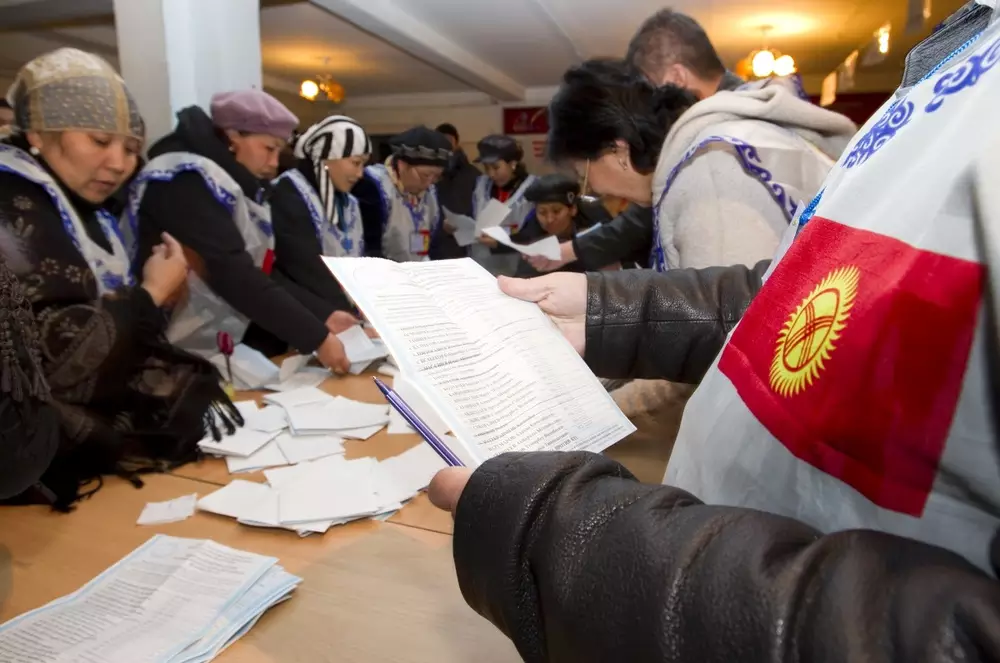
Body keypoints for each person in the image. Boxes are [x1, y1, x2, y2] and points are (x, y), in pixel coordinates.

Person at [427, 2, 1000, 659]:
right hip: (766, 553)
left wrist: (561, 530)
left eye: (587, 175)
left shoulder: (709, 165)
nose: (593, 193)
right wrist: (609, 310)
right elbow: (807, 293)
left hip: (789, 571)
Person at [0, 48, 238, 510]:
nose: (118, 163)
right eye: (99, 140)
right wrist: (151, 293)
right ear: (38, 133)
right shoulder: (13, 202)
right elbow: (54, 360)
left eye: (130, 149)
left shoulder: (80, 207)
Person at [127, 89, 354, 372]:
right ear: (233, 136)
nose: (274, 163)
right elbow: (232, 271)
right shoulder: (185, 178)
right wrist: (316, 337)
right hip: (159, 348)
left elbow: (261, 270)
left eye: (279, 151)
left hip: (204, 344)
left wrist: (324, 315)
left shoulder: (232, 183)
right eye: (268, 149)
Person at [530, 9, 751, 275]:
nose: (650, 107)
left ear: (677, 79)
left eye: (649, 91)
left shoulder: (725, 152)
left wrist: (600, 294)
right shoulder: (692, 158)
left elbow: (719, 291)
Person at [270, 115, 370, 321]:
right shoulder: (287, 194)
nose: (360, 174)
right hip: (306, 314)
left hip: (340, 309)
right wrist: (349, 315)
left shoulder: (347, 202)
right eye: (355, 163)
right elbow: (306, 269)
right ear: (326, 158)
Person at [353, 126, 451, 262]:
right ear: (402, 165)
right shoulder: (374, 186)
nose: (429, 183)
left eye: (436, 177)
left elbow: (434, 244)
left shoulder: (430, 193)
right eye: (425, 175)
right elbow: (369, 249)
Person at [512, 173, 609, 278]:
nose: (549, 219)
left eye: (556, 211)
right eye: (542, 212)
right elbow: (523, 278)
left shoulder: (597, 225)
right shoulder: (532, 236)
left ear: (573, 209)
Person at [470, 134, 537, 276]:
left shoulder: (533, 189)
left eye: (496, 167)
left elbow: (535, 233)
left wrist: (501, 243)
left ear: (513, 164)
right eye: (486, 168)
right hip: (482, 268)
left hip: (518, 270)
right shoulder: (480, 185)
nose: (491, 174)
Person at [432, 123, 480, 260]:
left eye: (448, 142)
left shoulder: (474, 175)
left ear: (457, 144)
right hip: (436, 245)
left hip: (467, 245)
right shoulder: (430, 174)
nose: (445, 148)